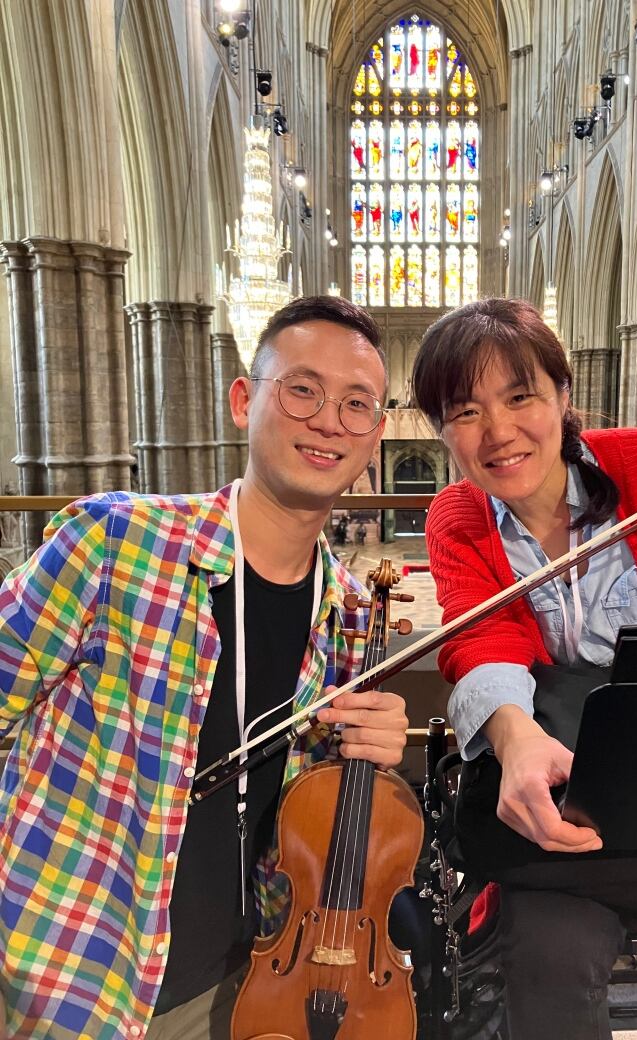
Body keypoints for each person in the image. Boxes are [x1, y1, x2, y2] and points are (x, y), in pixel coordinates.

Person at [0, 296, 410, 1040]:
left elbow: (309, 827)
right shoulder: (115, 544)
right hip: (66, 971)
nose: (328, 422)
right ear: (244, 400)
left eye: (357, 405)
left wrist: (372, 761)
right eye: (303, 390)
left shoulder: (353, 615)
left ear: (377, 434)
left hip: (242, 984)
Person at [411, 296, 637, 1040]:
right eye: (467, 411)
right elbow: (482, 641)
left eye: (522, 398)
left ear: (564, 395)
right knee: (546, 951)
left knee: (500, 858)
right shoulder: (458, 515)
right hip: (568, 807)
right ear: (441, 428)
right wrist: (514, 744)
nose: (500, 432)